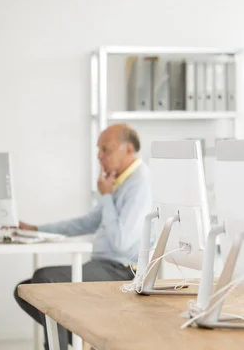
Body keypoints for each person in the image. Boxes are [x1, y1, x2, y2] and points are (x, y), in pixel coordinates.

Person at [13, 123, 152, 350]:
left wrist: (106, 196)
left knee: (45, 280)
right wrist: (37, 230)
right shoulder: (120, 181)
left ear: (128, 150)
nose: (99, 156)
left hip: (124, 271)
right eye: (98, 149)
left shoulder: (141, 183)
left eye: (106, 149)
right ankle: (87, 342)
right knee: (25, 290)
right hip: (103, 266)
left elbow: (121, 242)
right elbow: (87, 223)